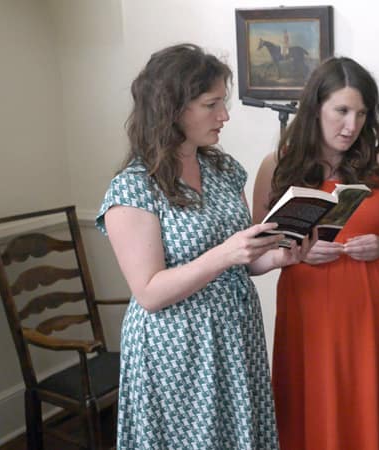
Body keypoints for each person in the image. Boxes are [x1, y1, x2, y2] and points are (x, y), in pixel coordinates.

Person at [96, 43, 308, 450]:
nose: (224, 116)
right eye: (211, 105)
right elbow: (150, 292)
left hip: (235, 335)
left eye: (222, 104)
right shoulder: (134, 188)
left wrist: (278, 256)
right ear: (172, 108)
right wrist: (225, 254)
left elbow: (243, 261)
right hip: (178, 350)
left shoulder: (223, 169)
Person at [253, 56, 379, 450]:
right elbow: (255, 249)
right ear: (315, 108)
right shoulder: (277, 165)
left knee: (370, 398)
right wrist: (295, 251)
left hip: (374, 303)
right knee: (314, 399)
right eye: (342, 111)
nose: (352, 126)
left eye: (362, 114)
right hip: (309, 301)